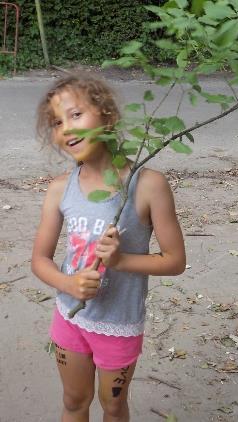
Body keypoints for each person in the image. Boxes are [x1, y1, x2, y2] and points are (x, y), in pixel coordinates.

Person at [31, 74, 186, 422]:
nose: (66, 129)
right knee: (74, 399)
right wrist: (68, 284)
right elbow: (39, 260)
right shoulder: (60, 189)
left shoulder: (148, 186)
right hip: (70, 316)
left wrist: (120, 259)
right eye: (56, 123)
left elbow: (175, 260)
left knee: (113, 405)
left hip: (119, 321)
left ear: (107, 116)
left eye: (75, 115)